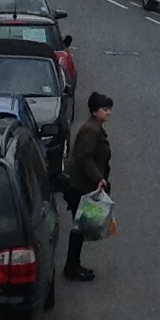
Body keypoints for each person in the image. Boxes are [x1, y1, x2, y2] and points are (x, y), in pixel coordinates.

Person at [62, 92, 113, 282]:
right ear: (95, 111)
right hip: (80, 186)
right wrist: (98, 178)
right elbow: (84, 156)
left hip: (82, 184)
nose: (109, 113)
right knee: (79, 227)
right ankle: (71, 267)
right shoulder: (92, 130)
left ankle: (74, 265)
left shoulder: (94, 127)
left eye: (109, 109)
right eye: (105, 109)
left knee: (80, 227)